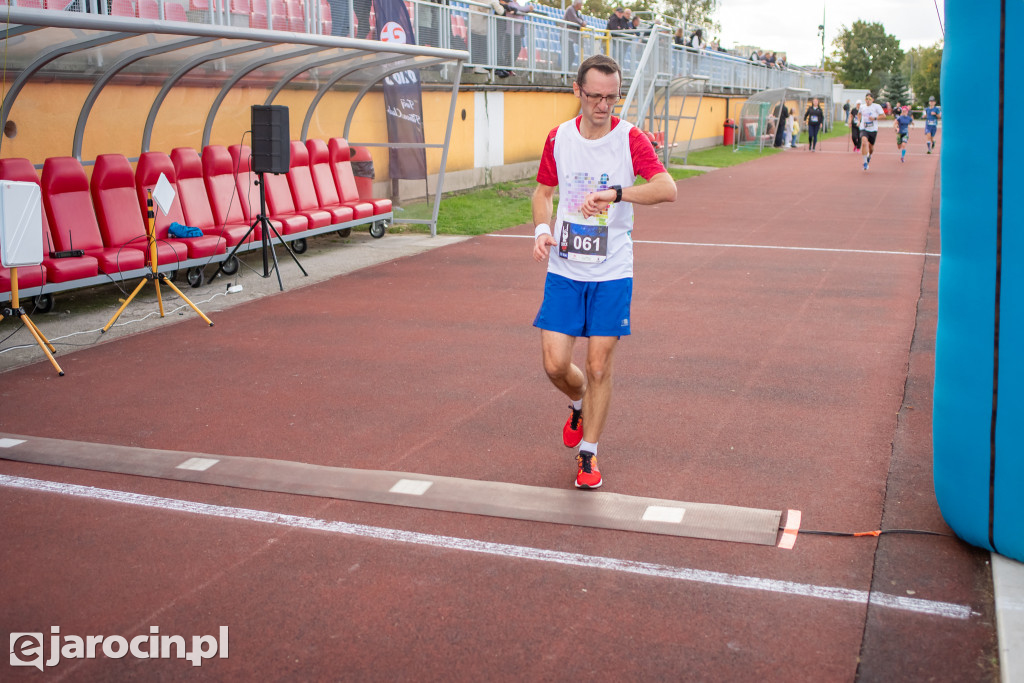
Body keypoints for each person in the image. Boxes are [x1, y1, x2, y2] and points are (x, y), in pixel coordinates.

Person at [531, 54, 677, 489]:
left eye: (612, 97)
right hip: (565, 267)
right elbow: (542, 193)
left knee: (598, 366)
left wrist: (618, 193)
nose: (603, 105)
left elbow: (667, 189)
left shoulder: (630, 139)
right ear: (577, 91)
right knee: (556, 365)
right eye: (595, 96)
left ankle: (588, 454)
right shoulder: (558, 138)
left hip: (612, 269)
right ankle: (578, 403)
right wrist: (542, 228)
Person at [858, 92, 885, 170]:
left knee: (871, 147)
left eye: (869, 99)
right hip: (864, 128)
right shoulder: (862, 107)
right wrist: (859, 121)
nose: (868, 100)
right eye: (866, 99)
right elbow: (859, 114)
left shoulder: (876, 107)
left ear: (873, 100)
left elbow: (883, 116)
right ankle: (865, 162)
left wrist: (875, 118)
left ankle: (869, 156)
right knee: (864, 143)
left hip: (873, 129)